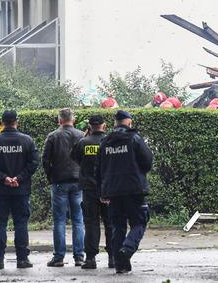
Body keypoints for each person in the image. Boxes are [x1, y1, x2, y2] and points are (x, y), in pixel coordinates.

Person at [96, 110, 153, 274]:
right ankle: (127, 250)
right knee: (139, 223)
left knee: (117, 227)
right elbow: (147, 161)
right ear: (129, 123)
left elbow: (98, 169)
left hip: (113, 192)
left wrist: (102, 191)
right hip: (134, 190)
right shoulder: (134, 138)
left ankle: (120, 265)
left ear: (115, 124)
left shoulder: (105, 142)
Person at [0, 110, 39, 270]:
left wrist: (4, 178)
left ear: (2, 122)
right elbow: (34, 163)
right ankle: (22, 259)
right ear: (16, 121)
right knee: (21, 223)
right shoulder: (27, 140)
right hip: (21, 190)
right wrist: (18, 178)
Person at [42, 108, 85, 267]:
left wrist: (51, 177)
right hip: (78, 181)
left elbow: (45, 160)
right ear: (73, 120)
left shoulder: (53, 136)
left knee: (59, 220)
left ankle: (59, 257)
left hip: (59, 181)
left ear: (59, 120)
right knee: (78, 220)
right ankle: (79, 256)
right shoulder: (81, 136)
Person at [71, 115, 113, 270]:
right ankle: (113, 258)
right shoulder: (110, 141)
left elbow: (75, 158)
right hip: (109, 189)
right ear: (104, 126)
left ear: (89, 127)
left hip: (89, 189)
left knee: (91, 224)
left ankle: (90, 259)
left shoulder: (83, 142)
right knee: (111, 224)